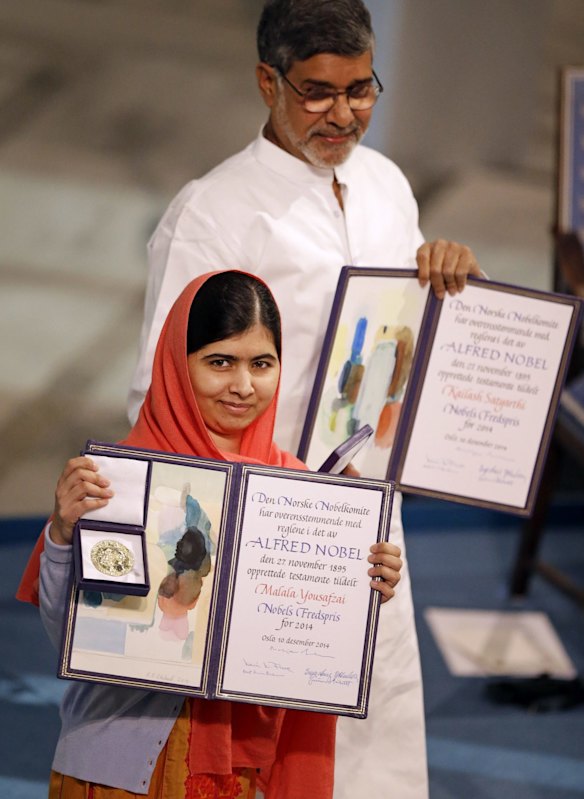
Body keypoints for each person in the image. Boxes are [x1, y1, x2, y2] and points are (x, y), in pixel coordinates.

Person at [127, 3, 482, 797]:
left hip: (373, 531)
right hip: (263, 532)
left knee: (375, 748)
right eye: (319, 92)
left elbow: (405, 350)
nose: (344, 115)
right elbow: (157, 393)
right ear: (268, 81)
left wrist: (454, 284)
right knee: (262, 760)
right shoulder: (212, 214)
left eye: (362, 90)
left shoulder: (386, 186)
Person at [17, 271, 403, 799]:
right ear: (179, 364)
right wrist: (63, 535)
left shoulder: (301, 492)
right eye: (220, 362)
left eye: (261, 364)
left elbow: (307, 649)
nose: (243, 385)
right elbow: (68, 633)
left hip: (237, 776)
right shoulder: (116, 483)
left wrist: (360, 585)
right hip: (111, 771)